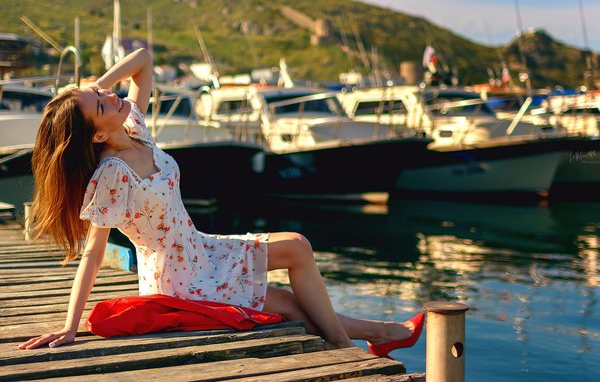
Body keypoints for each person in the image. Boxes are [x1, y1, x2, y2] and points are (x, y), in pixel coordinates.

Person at [17, 48, 424, 357]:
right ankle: (361, 341)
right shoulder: (111, 175)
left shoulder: (134, 127)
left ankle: (381, 334)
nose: (111, 96)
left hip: (200, 249)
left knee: (298, 256)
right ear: (97, 136)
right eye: (102, 104)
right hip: (179, 280)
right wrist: (70, 327)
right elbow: (93, 252)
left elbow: (143, 59)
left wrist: (90, 89)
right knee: (292, 292)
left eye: (104, 93)